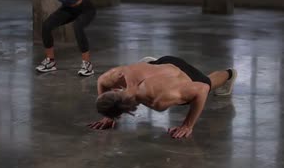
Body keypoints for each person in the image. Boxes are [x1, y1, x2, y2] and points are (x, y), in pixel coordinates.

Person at [88, 56, 237, 139]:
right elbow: (101, 80)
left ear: (125, 112)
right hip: (158, 65)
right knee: (151, 68)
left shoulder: (158, 99)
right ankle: (151, 64)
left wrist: (187, 125)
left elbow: (201, 90)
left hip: (183, 75)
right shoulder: (119, 76)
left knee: (208, 83)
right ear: (114, 90)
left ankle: (230, 73)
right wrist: (109, 115)